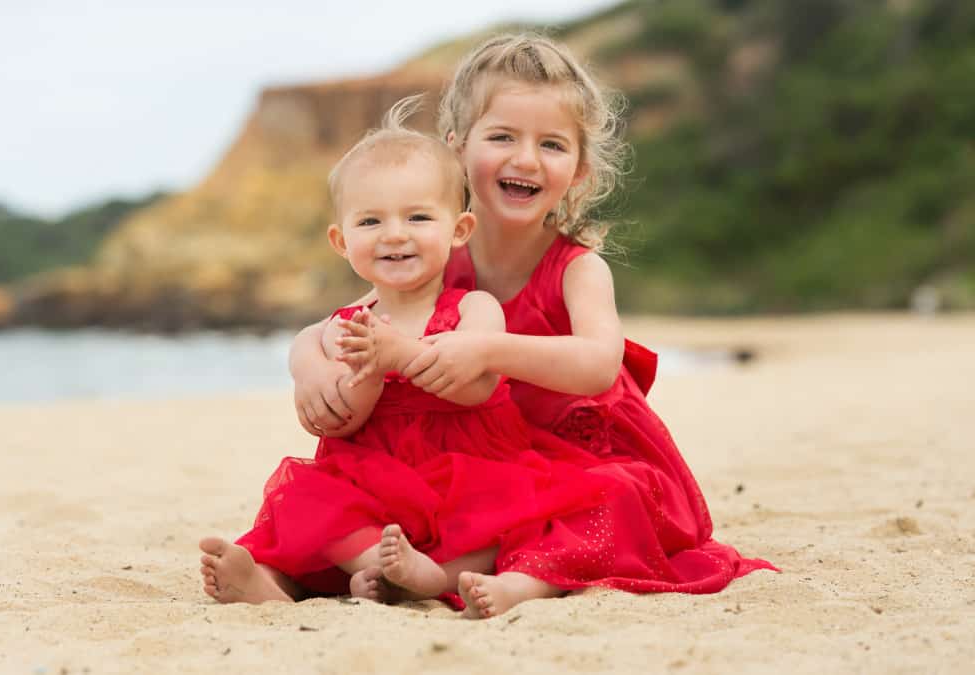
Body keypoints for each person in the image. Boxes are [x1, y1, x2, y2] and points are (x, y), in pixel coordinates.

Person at [289, 34, 776, 619]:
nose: (526, 159)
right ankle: (375, 570)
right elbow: (351, 320)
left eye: (551, 144)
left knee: (614, 498)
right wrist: (308, 364)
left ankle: (497, 579)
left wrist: (489, 350)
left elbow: (598, 364)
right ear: (457, 149)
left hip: (584, 456)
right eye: (502, 137)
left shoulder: (576, 267)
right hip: (485, 460)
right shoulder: (435, 258)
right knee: (362, 496)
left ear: (579, 170)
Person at [199, 98, 624, 605]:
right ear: (341, 240)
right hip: (376, 485)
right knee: (304, 500)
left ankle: (433, 578)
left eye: (418, 217)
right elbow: (340, 422)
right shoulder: (344, 327)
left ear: (458, 230)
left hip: (465, 471)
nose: (395, 234)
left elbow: (476, 388)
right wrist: (342, 371)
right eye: (371, 222)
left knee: (520, 519)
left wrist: (398, 356)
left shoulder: (473, 307)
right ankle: (282, 584)